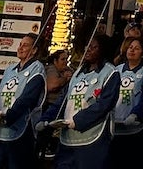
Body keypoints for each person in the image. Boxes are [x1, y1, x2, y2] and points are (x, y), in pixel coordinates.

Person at [44, 34, 118, 169]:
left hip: (92, 139)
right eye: (87, 46)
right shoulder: (77, 73)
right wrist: (46, 119)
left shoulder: (110, 73)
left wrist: (78, 120)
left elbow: (104, 104)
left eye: (93, 47)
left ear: (102, 50)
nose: (88, 50)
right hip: (68, 138)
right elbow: (63, 100)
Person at [0, 33, 46, 169]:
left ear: (34, 50)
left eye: (25, 45)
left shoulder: (37, 69)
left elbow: (28, 99)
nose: (20, 48)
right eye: (20, 44)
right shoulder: (9, 70)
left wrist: (8, 116)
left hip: (20, 131)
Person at [110, 35, 143, 169]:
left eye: (137, 48)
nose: (132, 50)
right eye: (130, 47)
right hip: (115, 126)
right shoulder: (116, 70)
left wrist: (136, 114)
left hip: (137, 127)